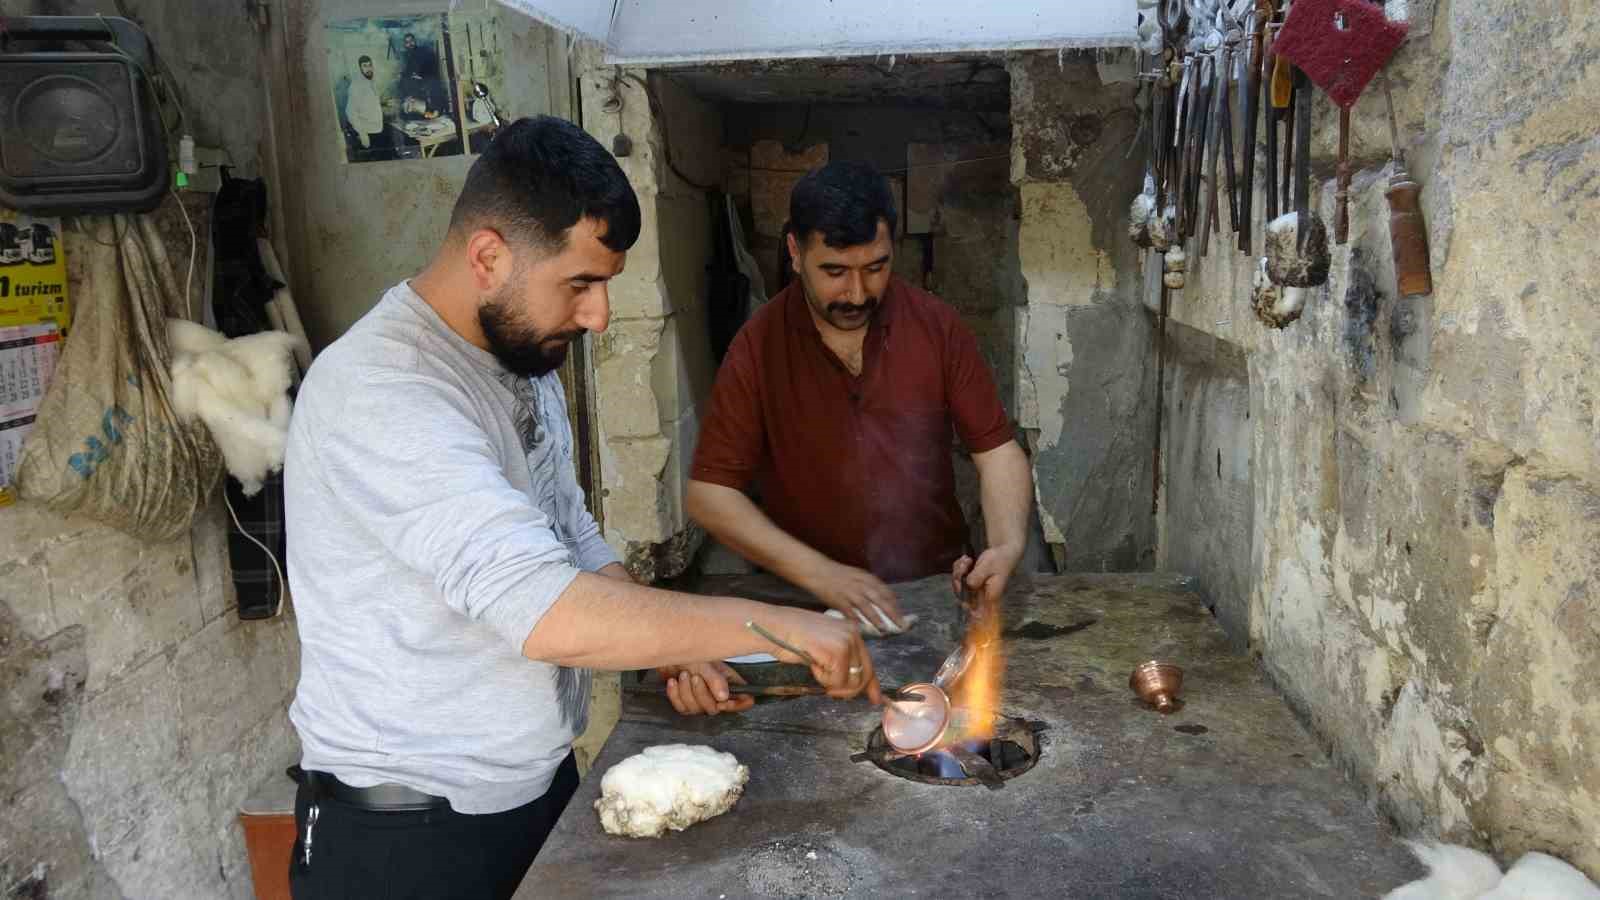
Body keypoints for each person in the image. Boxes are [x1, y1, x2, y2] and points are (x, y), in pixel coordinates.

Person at [283, 117, 880, 900]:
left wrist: (667, 644)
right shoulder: (384, 392)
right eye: (580, 284)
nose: (599, 316)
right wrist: (787, 628)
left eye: (607, 284)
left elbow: (572, 539)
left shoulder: (520, 361)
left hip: (535, 785)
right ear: (489, 256)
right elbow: (547, 612)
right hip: (410, 833)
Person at [686, 161, 1035, 629]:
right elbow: (710, 494)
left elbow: (996, 452)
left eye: (876, 268)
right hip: (805, 598)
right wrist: (822, 574)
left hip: (935, 586)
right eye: (834, 271)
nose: (856, 294)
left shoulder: (936, 326)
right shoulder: (757, 345)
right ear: (794, 251)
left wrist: (1007, 546)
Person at [344, 55, 385, 159]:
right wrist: (362, 134)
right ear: (360, 68)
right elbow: (350, 112)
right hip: (367, 133)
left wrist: (383, 103)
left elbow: (370, 102)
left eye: (370, 65)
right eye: (365, 66)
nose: (368, 68)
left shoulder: (372, 81)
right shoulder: (356, 86)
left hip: (378, 130)